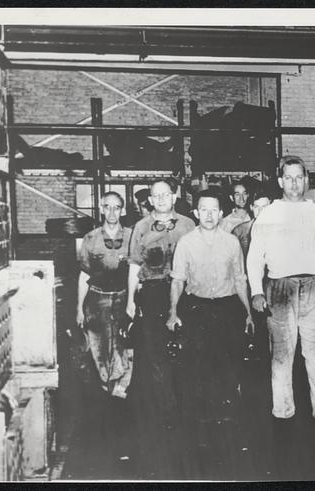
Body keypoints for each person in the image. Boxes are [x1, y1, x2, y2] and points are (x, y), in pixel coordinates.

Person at [247, 156, 315, 420]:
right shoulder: (269, 214)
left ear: (306, 181)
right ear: (281, 181)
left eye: (299, 177)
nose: (294, 183)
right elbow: (254, 257)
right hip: (280, 289)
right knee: (282, 355)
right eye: (289, 178)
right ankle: (283, 412)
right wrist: (257, 291)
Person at [167, 189, 254, 435]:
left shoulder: (232, 242)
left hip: (228, 309)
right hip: (198, 310)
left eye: (213, 210)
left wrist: (248, 313)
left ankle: (227, 419)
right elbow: (177, 281)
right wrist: (173, 312)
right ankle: (200, 421)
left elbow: (240, 279)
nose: (208, 215)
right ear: (195, 213)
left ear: (221, 213)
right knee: (198, 365)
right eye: (203, 209)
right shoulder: (186, 242)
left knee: (229, 363)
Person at [124, 178, 195, 478]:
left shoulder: (189, 224)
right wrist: (130, 301)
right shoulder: (140, 228)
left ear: (175, 196)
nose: (162, 199)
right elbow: (134, 267)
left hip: (188, 293)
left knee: (188, 352)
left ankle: (187, 409)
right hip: (153, 295)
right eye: (157, 196)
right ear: (150, 201)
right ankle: (166, 414)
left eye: (167, 194)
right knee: (155, 356)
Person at [76, 191, 134, 399]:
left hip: (122, 297)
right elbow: (84, 274)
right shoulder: (90, 238)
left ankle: (121, 385)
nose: (111, 212)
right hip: (97, 299)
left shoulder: (131, 236)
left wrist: (133, 302)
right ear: (101, 209)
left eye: (116, 207)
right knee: (98, 345)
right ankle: (104, 386)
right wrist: (79, 308)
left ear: (123, 210)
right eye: (107, 207)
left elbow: (137, 272)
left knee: (123, 343)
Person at [232, 185, 274, 258]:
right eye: (256, 207)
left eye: (264, 207)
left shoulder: (280, 231)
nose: (260, 211)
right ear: (251, 207)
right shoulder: (239, 232)